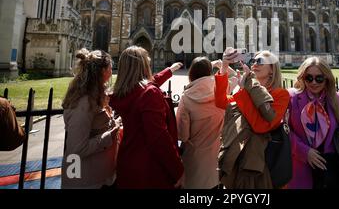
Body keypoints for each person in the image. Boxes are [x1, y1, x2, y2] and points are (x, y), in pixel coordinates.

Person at [109, 46, 184, 189]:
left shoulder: (124, 91)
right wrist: (178, 170)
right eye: (147, 63)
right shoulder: (149, 93)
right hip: (150, 168)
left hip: (127, 162)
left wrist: (170, 70)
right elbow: (159, 138)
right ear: (142, 66)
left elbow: (149, 82)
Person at [215, 49, 290, 188]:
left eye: (260, 61)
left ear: (272, 70)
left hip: (263, 167)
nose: (254, 64)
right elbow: (221, 102)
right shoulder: (247, 91)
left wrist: (244, 89)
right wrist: (224, 67)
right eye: (253, 61)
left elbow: (261, 126)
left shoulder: (280, 94)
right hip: (239, 161)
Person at [287, 57, 339, 189]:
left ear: (327, 78)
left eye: (319, 78)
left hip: (330, 166)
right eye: (309, 78)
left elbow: (337, 131)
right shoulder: (291, 97)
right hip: (302, 166)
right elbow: (284, 131)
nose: (314, 82)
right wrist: (304, 151)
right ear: (302, 78)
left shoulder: (335, 98)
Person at [61, 49, 120, 189]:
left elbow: (97, 127)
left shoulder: (95, 94)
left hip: (100, 176)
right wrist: (109, 136)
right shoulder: (84, 102)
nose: (112, 69)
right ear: (103, 71)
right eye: (111, 66)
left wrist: (114, 124)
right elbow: (77, 148)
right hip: (85, 181)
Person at [176, 57, 225, 189]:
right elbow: (233, 77)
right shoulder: (221, 91)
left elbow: (182, 135)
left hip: (195, 160)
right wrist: (219, 65)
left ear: (191, 73)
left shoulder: (186, 98)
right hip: (217, 159)